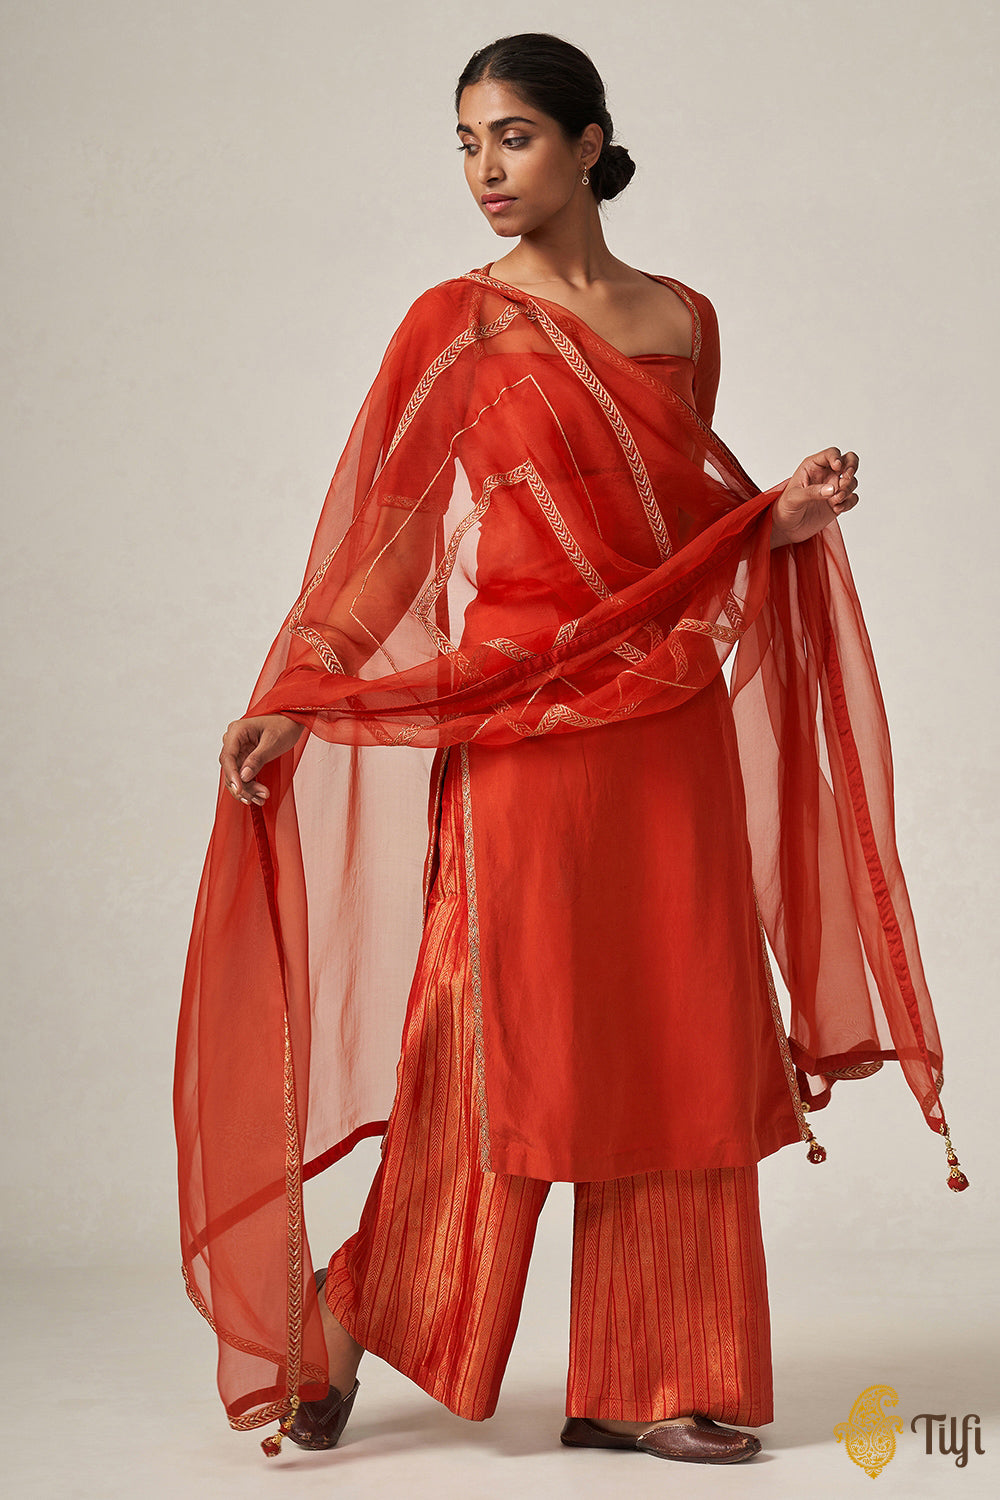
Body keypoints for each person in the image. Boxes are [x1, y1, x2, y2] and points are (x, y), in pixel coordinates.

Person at [175, 31, 966, 1470]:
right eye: (467, 143)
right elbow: (389, 541)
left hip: (663, 721)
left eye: (516, 137)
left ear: (590, 143)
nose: (486, 170)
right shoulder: (455, 324)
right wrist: (302, 684)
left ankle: (659, 1372)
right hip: (522, 723)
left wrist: (778, 519)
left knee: (677, 1026)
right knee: (489, 1036)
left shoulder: (685, 320)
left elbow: (677, 537)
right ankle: (353, 1311)